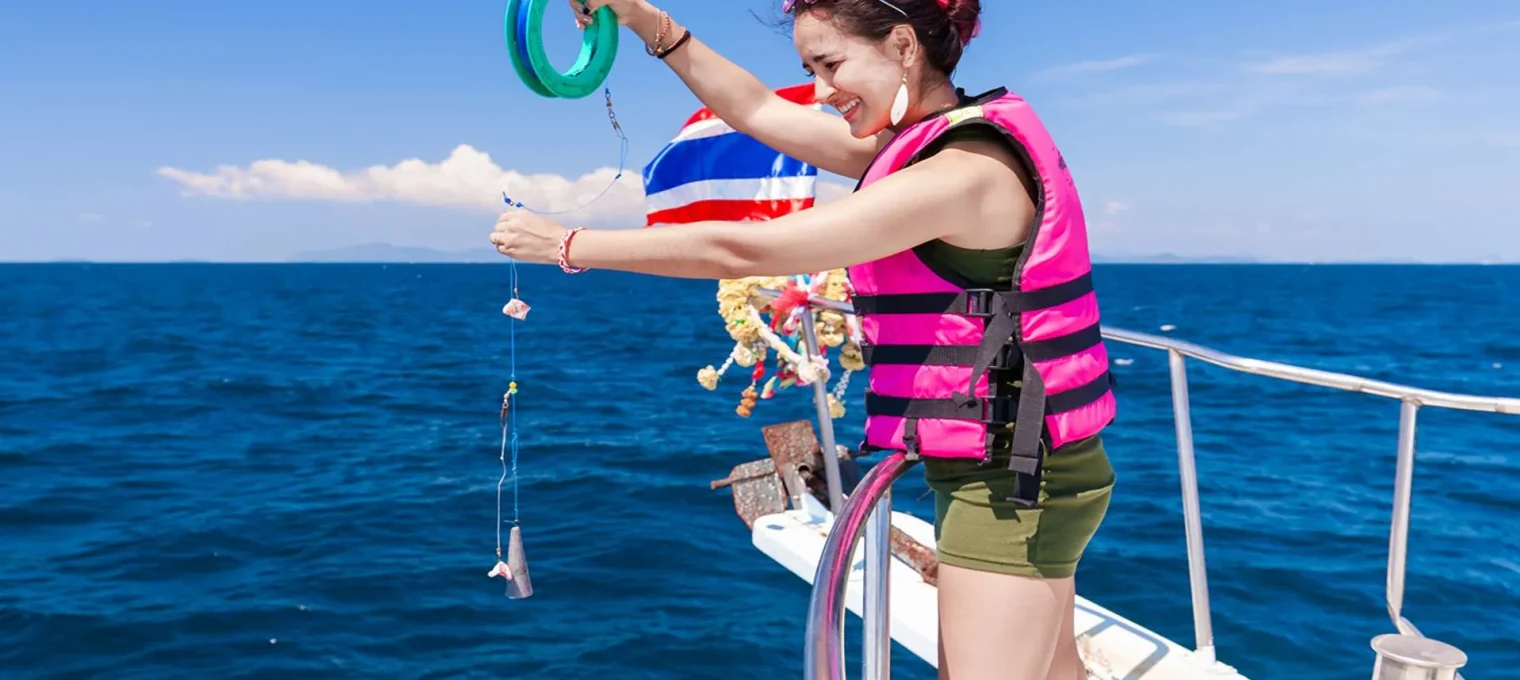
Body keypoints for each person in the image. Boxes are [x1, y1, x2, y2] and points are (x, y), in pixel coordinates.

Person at [490, 1, 1118, 678]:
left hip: (1010, 480)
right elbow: (757, 110)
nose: (819, 92)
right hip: (1024, 461)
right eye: (809, 69)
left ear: (904, 44)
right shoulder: (925, 142)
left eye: (830, 64)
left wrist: (567, 243)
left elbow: (739, 247)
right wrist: (648, 22)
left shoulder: (961, 172)